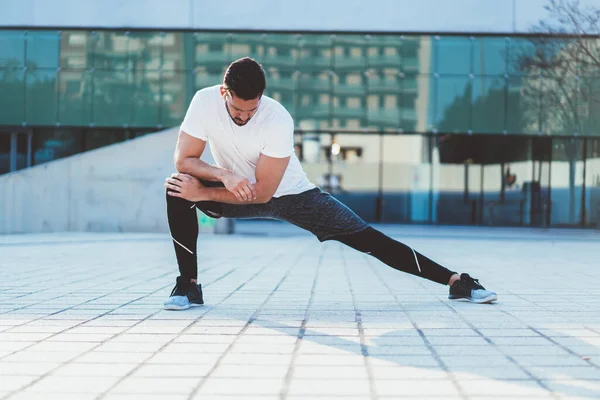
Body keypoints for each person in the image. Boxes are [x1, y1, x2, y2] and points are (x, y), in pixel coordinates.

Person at [163, 57, 497, 310]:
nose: (244, 118)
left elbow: (264, 193)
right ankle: (188, 285)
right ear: (224, 93)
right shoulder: (204, 103)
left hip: (293, 196)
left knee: (370, 240)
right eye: (238, 111)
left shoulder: (276, 118)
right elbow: (184, 160)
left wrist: (205, 191)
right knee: (178, 187)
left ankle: (456, 281)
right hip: (237, 190)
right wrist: (223, 175)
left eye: (251, 111)